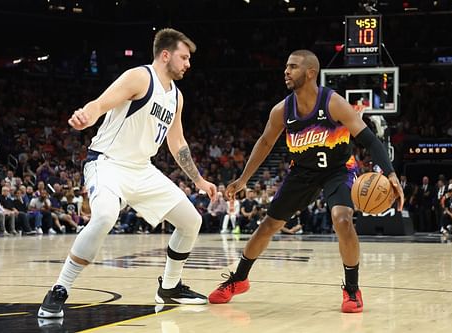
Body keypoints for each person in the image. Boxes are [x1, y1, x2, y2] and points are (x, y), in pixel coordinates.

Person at [38, 28, 217, 318]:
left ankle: (169, 287)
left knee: (191, 221)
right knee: (106, 216)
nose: (188, 64)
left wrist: (198, 179)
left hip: (142, 169)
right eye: (184, 57)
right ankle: (59, 288)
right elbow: (101, 102)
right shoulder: (139, 77)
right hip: (108, 163)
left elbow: (177, 141)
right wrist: (86, 115)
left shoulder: (176, 97)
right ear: (166, 54)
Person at [208, 50, 404, 313]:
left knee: (342, 219)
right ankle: (239, 279)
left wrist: (390, 174)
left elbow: (369, 139)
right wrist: (243, 179)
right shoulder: (282, 110)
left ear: (310, 72)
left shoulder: (333, 103)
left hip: (338, 171)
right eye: (286, 67)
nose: (286, 71)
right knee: (268, 225)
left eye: (293, 67)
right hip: (302, 172)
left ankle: (352, 289)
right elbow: (265, 143)